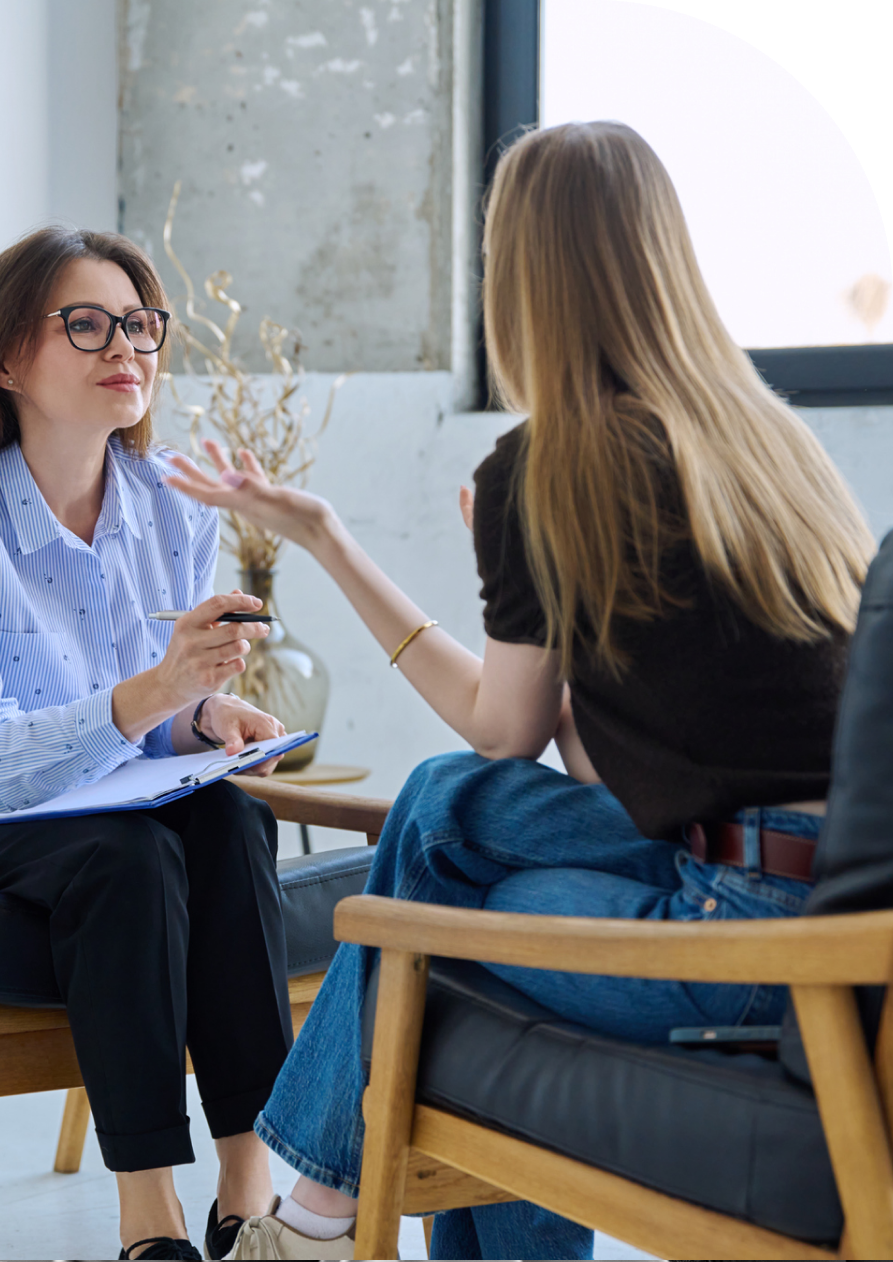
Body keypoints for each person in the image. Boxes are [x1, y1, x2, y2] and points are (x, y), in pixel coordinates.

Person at [163, 121, 875, 1260]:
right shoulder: (767, 453)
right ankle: (311, 1220)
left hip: (748, 947)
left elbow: (505, 734)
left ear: (522, 277)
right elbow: (619, 767)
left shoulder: (551, 466)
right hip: (843, 917)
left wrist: (374, 553)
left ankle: (304, 1222)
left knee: (433, 912)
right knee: (443, 818)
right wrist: (347, 542)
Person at [0, 227, 295, 1262]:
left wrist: (206, 715)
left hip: (104, 798)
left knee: (228, 818)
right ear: (7, 358)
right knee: (127, 851)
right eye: (86, 324)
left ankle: (249, 1193)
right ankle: (151, 1218)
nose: (126, 348)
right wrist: (151, 691)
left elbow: (163, 705)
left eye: (141, 325)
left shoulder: (169, 503)